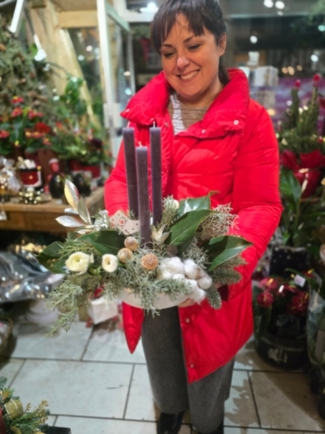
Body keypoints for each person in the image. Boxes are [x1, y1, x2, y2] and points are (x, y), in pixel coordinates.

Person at [105, 0, 282, 433]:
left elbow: (260, 205)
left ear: (220, 43)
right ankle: (168, 411)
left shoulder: (251, 122)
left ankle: (206, 423)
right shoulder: (145, 113)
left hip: (208, 285)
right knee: (163, 361)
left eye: (193, 44)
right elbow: (121, 183)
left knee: (208, 381)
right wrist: (123, 223)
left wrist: (219, 269)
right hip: (150, 271)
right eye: (168, 52)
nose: (180, 62)